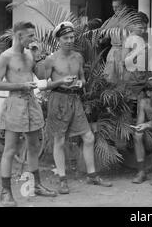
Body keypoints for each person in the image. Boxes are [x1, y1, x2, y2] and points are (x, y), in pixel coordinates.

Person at [0, 21, 57, 207]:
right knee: (10, 150)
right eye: (30, 35)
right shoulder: (5, 57)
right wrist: (20, 85)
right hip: (15, 104)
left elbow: (40, 75)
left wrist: (37, 57)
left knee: (33, 146)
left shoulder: (30, 54)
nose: (33, 38)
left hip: (31, 103)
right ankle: (6, 192)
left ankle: (36, 185)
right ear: (19, 36)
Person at [43, 22, 112, 194]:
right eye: (65, 38)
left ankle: (92, 175)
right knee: (59, 141)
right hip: (58, 100)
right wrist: (60, 82)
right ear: (58, 39)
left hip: (75, 99)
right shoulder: (51, 59)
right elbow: (43, 85)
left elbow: (83, 78)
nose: (69, 40)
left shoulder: (78, 57)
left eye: (72, 37)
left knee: (88, 137)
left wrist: (81, 83)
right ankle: (62, 180)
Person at [103, 0, 128, 83]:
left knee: (124, 80)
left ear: (124, 6)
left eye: (117, 7)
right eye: (113, 7)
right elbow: (106, 37)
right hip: (113, 51)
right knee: (110, 80)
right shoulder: (112, 20)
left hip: (126, 51)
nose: (114, 9)